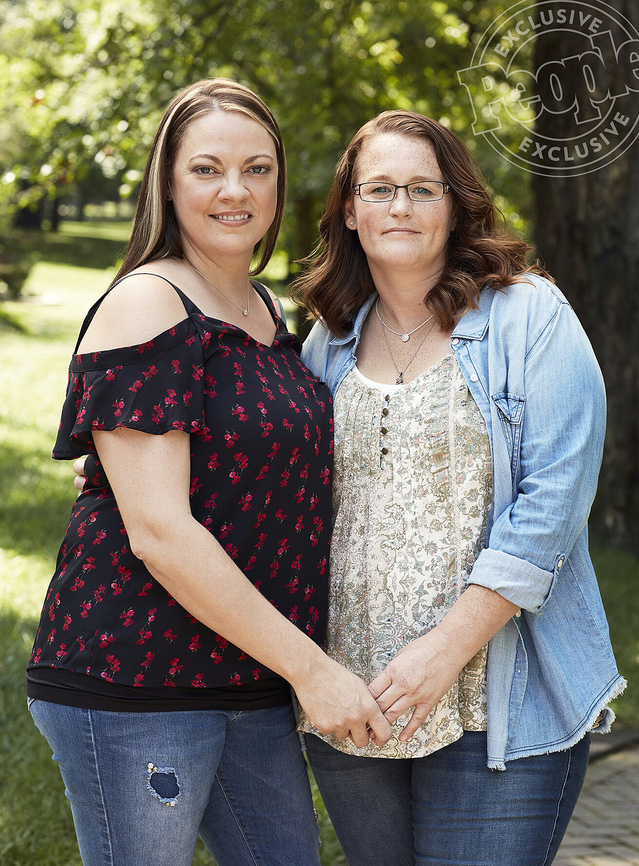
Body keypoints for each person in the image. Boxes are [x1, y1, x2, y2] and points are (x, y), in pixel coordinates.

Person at [26, 78, 392, 866]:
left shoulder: (262, 306)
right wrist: (313, 671)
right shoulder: (147, 304)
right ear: (167, 183)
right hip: (137, 680)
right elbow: (159, 532)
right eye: (207, 169)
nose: (236, 191)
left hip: (248, 674)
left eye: (258, 169)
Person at [292, 110, 627, 866]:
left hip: (491, 698)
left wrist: (443, 652)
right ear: (350, 209)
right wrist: (128, 469)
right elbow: (277, 478)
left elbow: (553, 504)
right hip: (356, 700)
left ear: (456, 205)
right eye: (379, 189)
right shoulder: (329, 340)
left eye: (423, 188)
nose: (401, 206)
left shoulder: (528, 316)